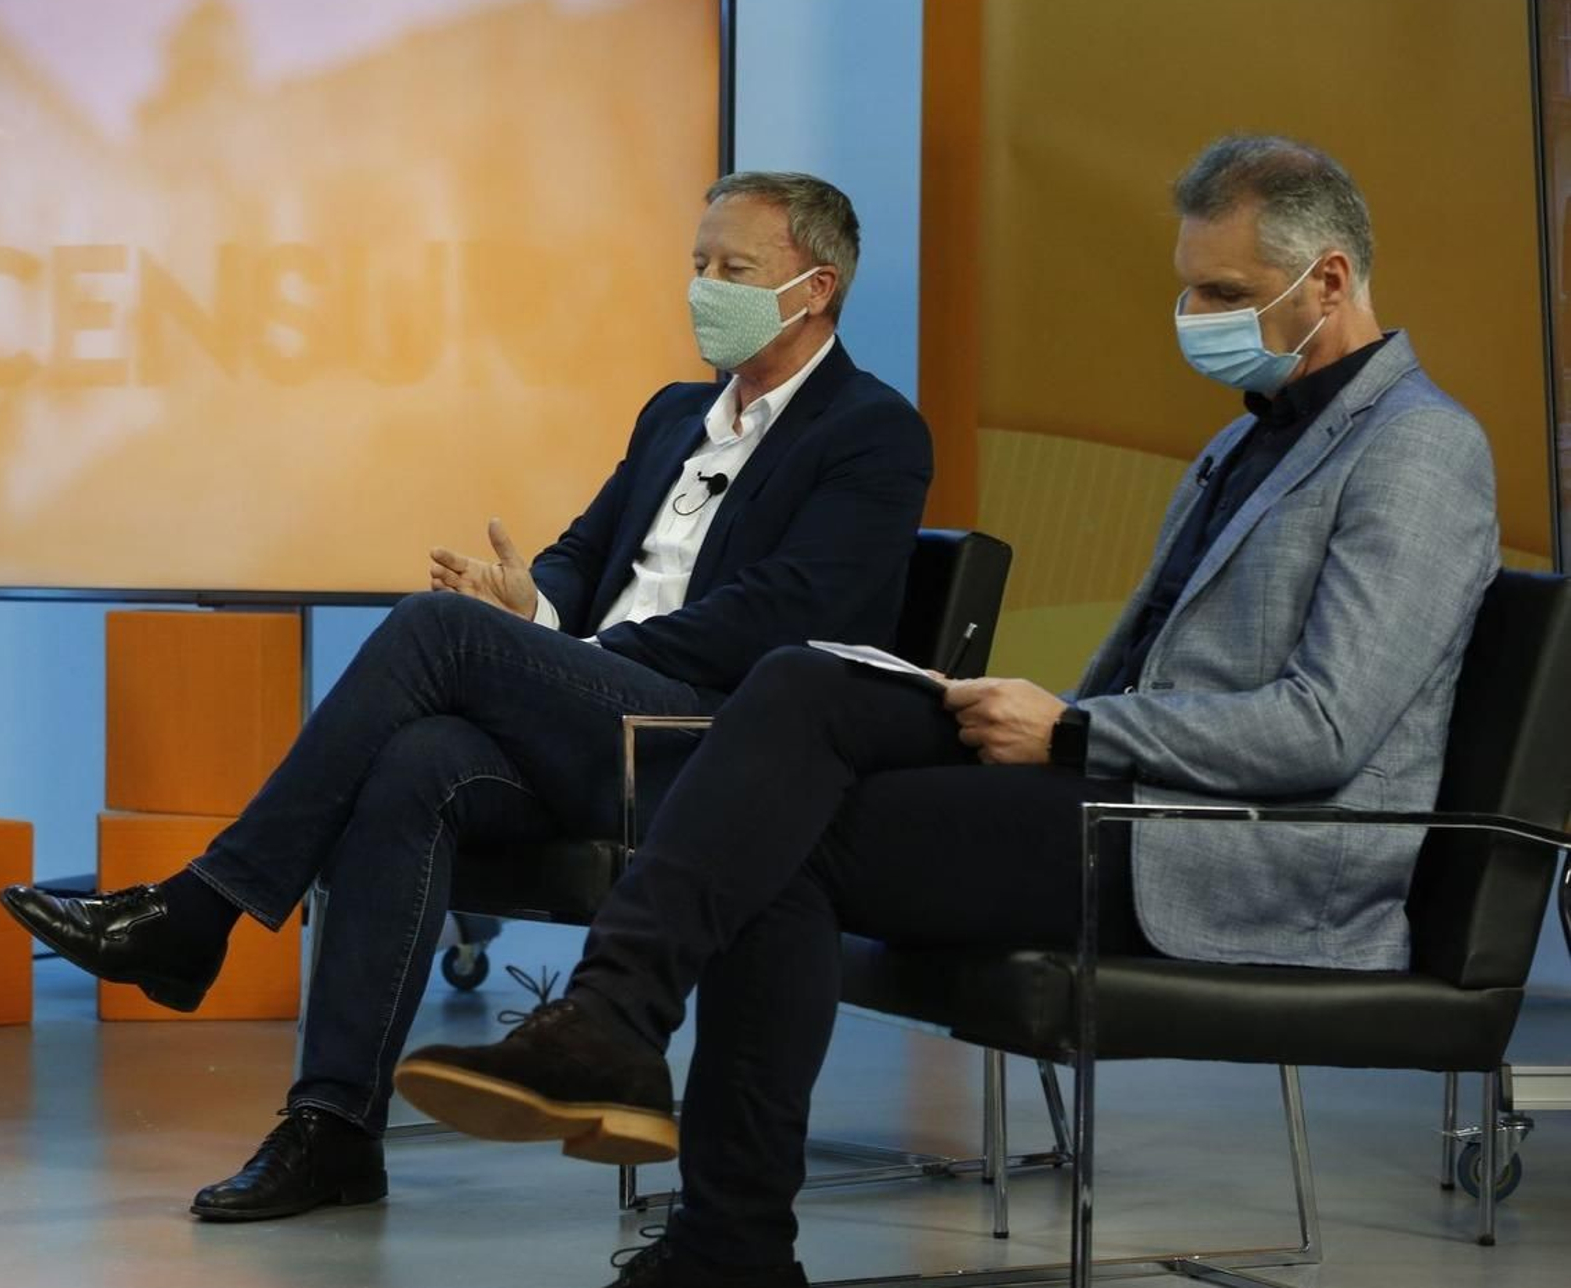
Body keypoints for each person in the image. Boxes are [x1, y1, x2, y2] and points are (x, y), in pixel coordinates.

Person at [390, 135, 1501, 1288]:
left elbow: (1324, 728)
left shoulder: (1420, 449)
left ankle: (693, 1173)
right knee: (801, 681)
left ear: (1327, 279)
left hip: (1234, 851)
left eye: (1221, 293)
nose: (1193, 313)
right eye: (1188, 285)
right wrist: (1043, 719)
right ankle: (635, 1065)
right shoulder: (1242, 441)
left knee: (784, 837)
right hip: (1129, 786)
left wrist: (1069, 730)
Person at [0, 171, 933, 1223]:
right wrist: (533, 599)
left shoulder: (870, 432)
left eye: (733, 270)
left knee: (438, 633)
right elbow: (585, 554)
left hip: (714, 751)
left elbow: (777, 618)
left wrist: (550, 643)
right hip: (598, 719)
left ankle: (203, 910)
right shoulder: (676, 414)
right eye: (697, 264)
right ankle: (333, 1127)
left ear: (814, 288)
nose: (703, 287)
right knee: (418, 764)